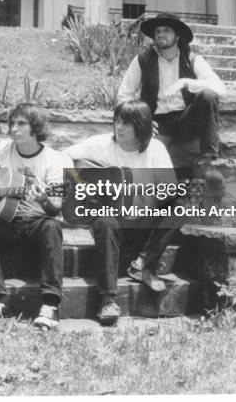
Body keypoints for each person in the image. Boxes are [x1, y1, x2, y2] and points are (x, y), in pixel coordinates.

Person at [64, 100, 187, 326]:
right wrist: (82, 182)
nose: (119, 127)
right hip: (113, 225)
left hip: (142, 224)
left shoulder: (156, 150)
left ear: (141, 127)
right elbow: (61, 156)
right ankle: (108, 300)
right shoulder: (101, 145)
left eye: (126, 123)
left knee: (180, 204)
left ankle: (143, 264)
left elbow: (168, 193)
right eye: (117, 121)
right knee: (105, 219)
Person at [0, 102, 67, 331]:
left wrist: (44, 199)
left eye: (21, 124)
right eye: (12, 123)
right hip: (6, 223)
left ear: (35, 127)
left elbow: (56, 207)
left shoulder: (54, 160)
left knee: (52, 227)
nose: (13, 128)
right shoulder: (4, 149)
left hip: (36, 223)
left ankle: (49, 306)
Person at [117, 12, 227, 168]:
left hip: (187, 120)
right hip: (157, 123)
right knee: (146, 158)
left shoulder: (192, 59)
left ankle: (209, 163)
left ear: (177, 36)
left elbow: (221, 90)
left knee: (208, 95)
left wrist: (186, 82)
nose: (161, 34)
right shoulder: (143, 60)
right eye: (158, 31)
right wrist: (140, 120)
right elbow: (124, 94)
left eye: (166, 30)